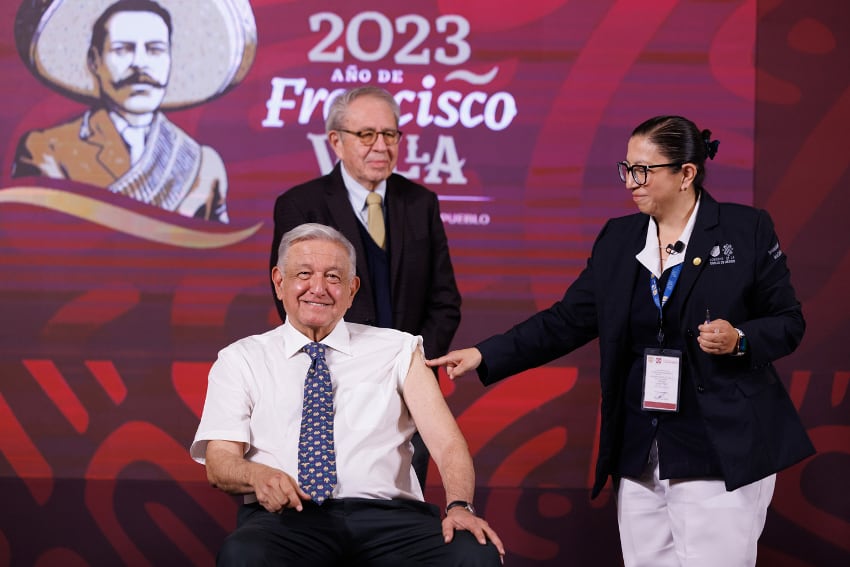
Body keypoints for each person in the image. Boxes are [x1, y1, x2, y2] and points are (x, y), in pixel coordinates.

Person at [428, 115, 815, 567]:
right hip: (641, 450)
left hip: (718, 447)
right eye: (626, 169)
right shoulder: (619, 237)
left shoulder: (743, 230)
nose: (631, 182)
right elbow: (568, 319)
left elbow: (789, 322)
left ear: (686, 173)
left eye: (643, 171)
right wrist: (483, 353)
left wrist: (740, 339)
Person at [192, 223, 503, 566]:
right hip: (288, 519)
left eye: (334, 277)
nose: (318, 288)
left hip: (393, 518)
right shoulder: (241, 359)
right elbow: (219, 462)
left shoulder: (399, 348)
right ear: (279, 282)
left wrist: (460, 505)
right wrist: (257, 475)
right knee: (244, 555)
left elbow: (447, 443)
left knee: (474, 553)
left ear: (352, 289)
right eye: (304, 274)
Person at [269, 86, 462, 488]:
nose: (381, 146)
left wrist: (415, 367)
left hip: (407, 391)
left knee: (402, 507)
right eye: (367, 135)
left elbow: (444, 301)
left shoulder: (420, 202)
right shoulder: (300, 204)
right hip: (330, 385)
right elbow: (293, 296)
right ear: (336, 141)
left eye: (390, 135)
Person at [11, 0, 254, 222]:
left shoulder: (203, 164)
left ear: (170, 58)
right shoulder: (47, 150)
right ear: (94, 61)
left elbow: (218, 254)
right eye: (123, 49)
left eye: (154, 49)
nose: (140, 63)